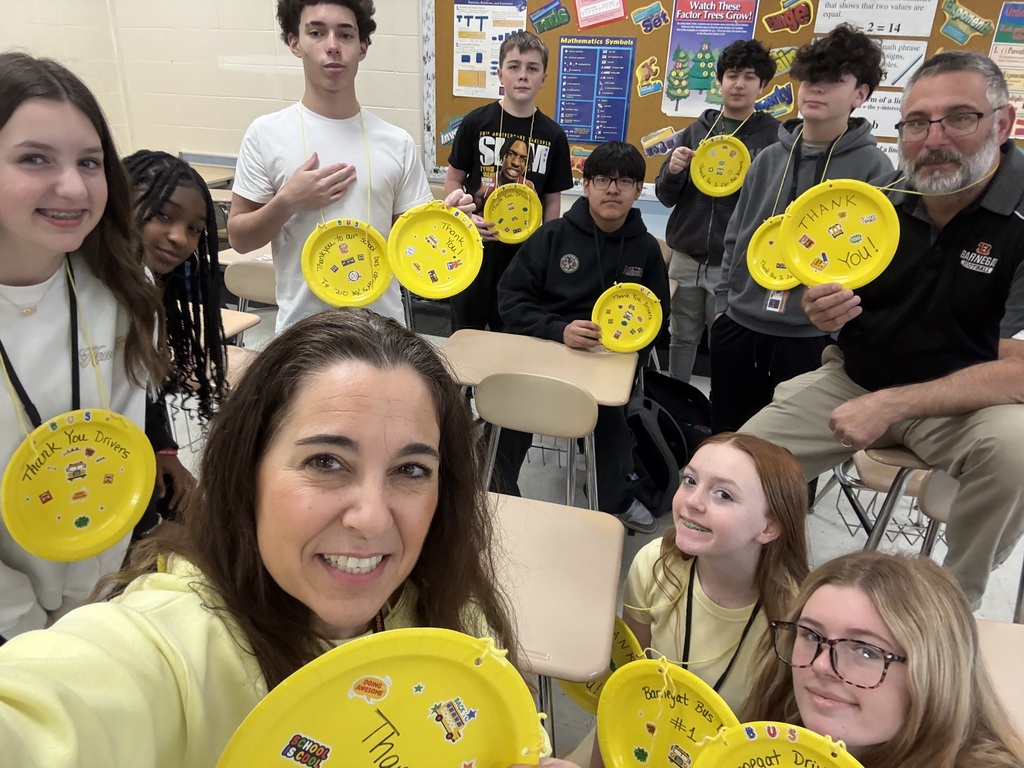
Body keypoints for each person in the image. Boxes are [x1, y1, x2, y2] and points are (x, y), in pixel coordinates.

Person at [0, 308, 577, 768]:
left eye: (411, 470)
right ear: (246, 472)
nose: (373, 519)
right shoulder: (171, 647)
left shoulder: (448, 612)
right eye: (326, 461)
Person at [742, 51, 1024, 609]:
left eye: (960, 118)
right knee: (733, 466)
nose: (933, 139)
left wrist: (892, 406)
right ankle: (762, 592)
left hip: (963, 409)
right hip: (856, 380)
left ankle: (952, 601)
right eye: (917, 123)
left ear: (1003, 123)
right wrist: (821, 307)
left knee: (1017, 445)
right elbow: (833, 293)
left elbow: (1018, 372)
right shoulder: (882, 201)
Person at [0, 53, 167, 640]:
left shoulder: (121, 288)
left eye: (90, 162)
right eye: (34, 159)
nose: (71, 186)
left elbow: (119, 451)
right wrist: (24, 626)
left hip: (102, 587)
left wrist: (97, 596)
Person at [227, 1, 470, 334]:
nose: (332, 46)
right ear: (295, 42)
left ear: (362, 47)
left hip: (383, 332)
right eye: (316, 32)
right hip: (303, 334)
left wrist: (448, 222)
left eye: (345, 34)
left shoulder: (396, 142)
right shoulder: (266, 134)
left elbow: (413, 241)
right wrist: (289, 201)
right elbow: (239, 238)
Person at [711, 24, 893, 433]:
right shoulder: (769, 158)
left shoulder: (874, 170)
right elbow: (736, 233)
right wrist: (724, 303)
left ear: (860, 95)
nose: (815, 88)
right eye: (810, 77)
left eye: (832, 80)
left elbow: (879, 263)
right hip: (740, 324)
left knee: (788, 466)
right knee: (725, 441)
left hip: (810, 339)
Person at [589, 432, 810, 768]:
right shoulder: (654, 564)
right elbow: (627, 687)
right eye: (690, 480)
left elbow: (777, 746)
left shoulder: (800, 618)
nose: (693, 500)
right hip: (648, 741)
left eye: (723, 494)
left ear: (769, 526)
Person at [496, 141, 670, 533]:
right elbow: (511, 299)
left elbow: (659, 318)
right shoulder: (552, 237)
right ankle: (498, 494)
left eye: (625, 181)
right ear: (586, 184)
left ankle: (615, 500)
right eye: (604, 179)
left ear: (638, 189)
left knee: (612, 427)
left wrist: (626, 358)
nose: (613, 189)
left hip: (607, 365)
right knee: (509, 413)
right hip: (545, 355)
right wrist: (558, 330)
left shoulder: (645, 249)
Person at [744, 550, 1024, 767]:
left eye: (866, 651)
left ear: (933, 674)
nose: (820, 665)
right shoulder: (772, 730)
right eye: (811, 635)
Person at [655, 39, 780, 382]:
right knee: (680, 335)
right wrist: (674, 170)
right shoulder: (695, 131)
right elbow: (666, 196)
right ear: (719, 81)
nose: (739, 84)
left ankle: (721, 416)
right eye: (732, 75)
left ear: (763, 85)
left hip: (735, 261)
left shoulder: (774, 138)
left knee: (726, 340)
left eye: (750, 77)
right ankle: (677, 401)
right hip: (686, 255)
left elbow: (777, 202)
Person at [124, 149, 226, 528]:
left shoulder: (147, 287)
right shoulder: (84, 293)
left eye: (195, 229)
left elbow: (143, 388)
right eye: (164, 215)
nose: (179, 238)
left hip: (127, 456)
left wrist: (163, 448)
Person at [446, 30, 573, 333]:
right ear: (500, 73)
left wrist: (547, 244)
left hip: (524, 258)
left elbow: (552, 199)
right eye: (514, 66)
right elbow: (453, 180)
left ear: (543, 77)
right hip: (474, 249)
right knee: (466, 335)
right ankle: (460, 384)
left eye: (532, 68)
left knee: (515, 337)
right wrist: (462, 218)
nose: (523, 76)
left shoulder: (553, 134)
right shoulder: (476, 122)